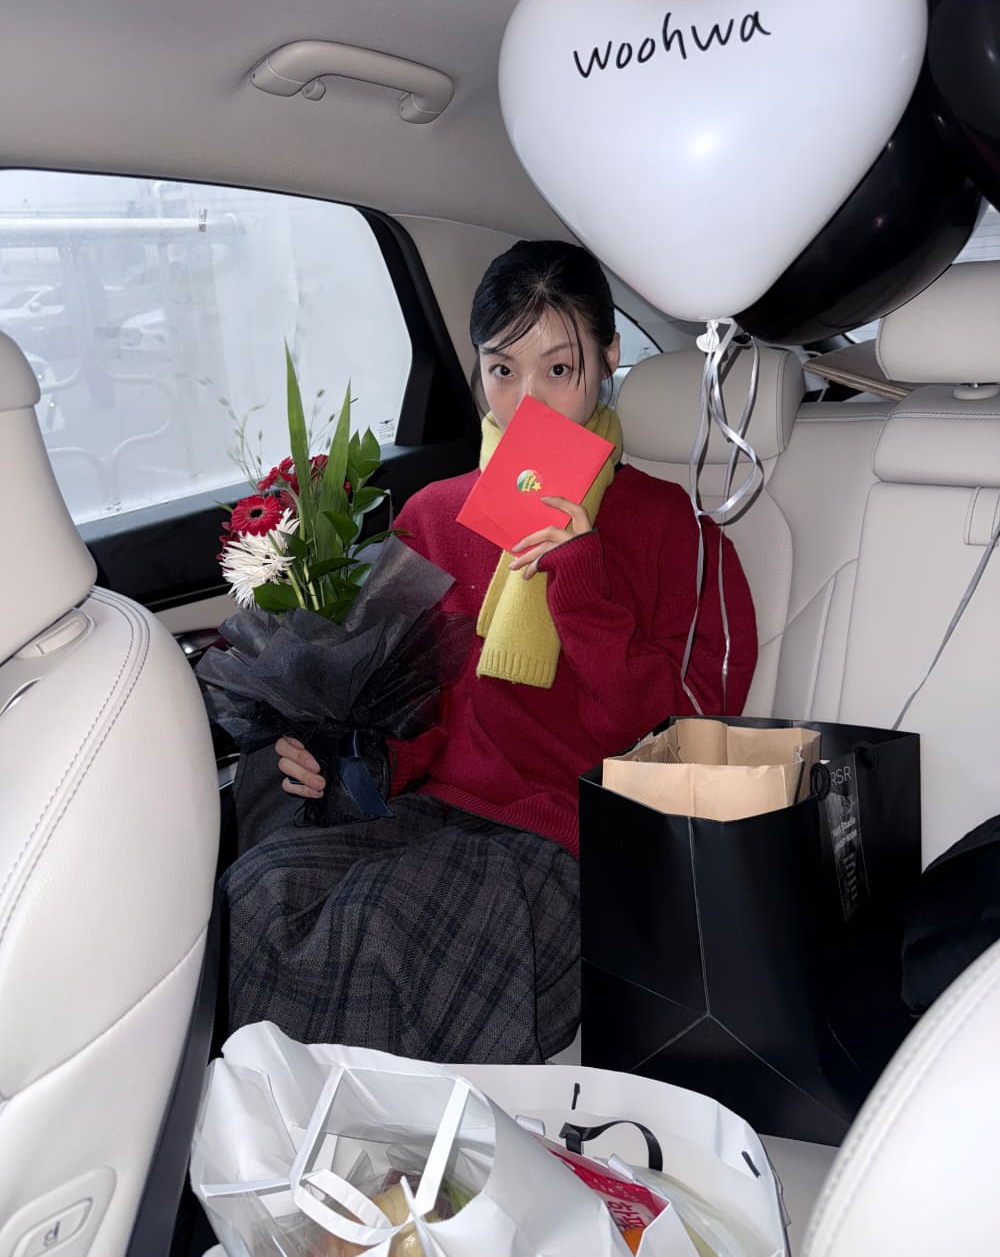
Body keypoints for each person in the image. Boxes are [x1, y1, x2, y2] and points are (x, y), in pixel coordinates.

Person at [223, 239, 757, 1062]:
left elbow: (674, 745)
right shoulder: (435, 516)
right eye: (503, 370)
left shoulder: (680, 535)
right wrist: (346, 756)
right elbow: (415, 710)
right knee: (258, 891)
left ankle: (377, 1135)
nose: (527, 403)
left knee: (386, 924)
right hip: (434, 812)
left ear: (609, 357)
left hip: (574, 836)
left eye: (559, 369)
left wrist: (581, 582)